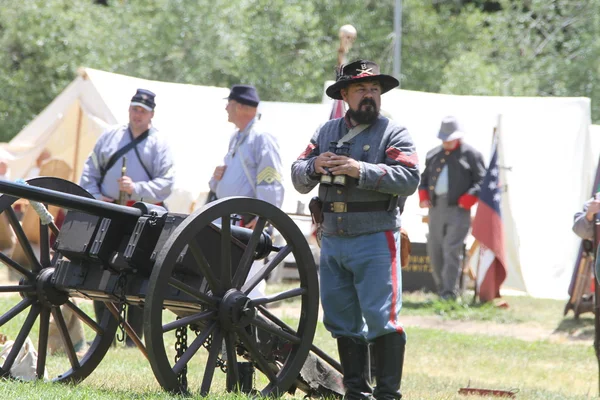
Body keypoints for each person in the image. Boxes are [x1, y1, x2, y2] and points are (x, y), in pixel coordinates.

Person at [292, 59, 420, 400]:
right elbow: (297, 173)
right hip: (333, 239)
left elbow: (409, 178)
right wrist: (313, 165)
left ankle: (388, 395)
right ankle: (357, 393)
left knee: (382, 319)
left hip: (376, 238)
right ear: (345, 94)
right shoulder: (325, 132)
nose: (370, 95)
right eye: (362, 89)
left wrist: (358, 169)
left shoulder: (394, 133)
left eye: (375, 89)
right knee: (340, 318)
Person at [80, 88, 174, 347]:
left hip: (143, 217)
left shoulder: (159, 144)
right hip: (109, 212)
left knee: (139, 273)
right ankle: (104, 334)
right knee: (101, 267)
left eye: (142, 111)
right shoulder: (110, 137)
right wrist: (98, 198)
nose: (137, 115)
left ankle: (134, 340)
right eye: (134, 109)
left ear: (151, 114)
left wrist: (137, 189)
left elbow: (166, 184)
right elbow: (89, 172)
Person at [208, 84, 284, 298]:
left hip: (248, 219)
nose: (226, 109)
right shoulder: (237, 137)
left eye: (229, 104)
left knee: (250, 284)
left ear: (241, 107)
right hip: (229, 216)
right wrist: (216, 179)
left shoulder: (262, 137)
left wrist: (263, 216)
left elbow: (270, 180)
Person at [418, 116, 485, 301]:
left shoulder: (471, 155)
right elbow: (424, 180)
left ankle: (449, 293)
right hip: (436, 208)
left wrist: (469, 198)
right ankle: (442, 290)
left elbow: (482, 180)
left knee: (451, 249)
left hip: (459, 209)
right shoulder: (433, 154)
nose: (447, 142)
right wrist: (423, 196)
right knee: (435, 249)